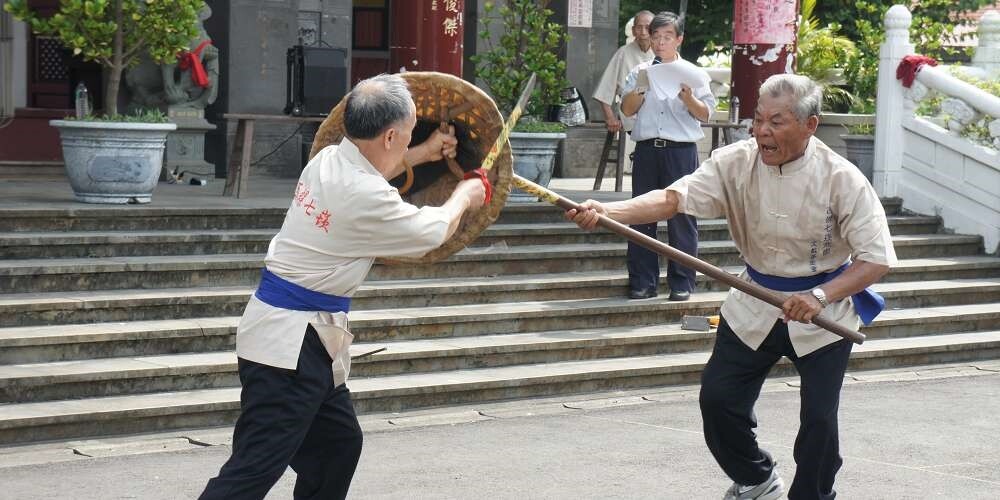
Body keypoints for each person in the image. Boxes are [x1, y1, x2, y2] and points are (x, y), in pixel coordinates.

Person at [567, 73, 897, 500]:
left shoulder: (842, 178)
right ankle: (756, 478)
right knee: (718, 401)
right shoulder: (735, 162)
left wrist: (819, 296)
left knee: (819, 420)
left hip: (823, 311)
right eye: (758, 119)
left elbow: (876, 258)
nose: (762, 131)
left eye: (777, 122)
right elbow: (673, 198)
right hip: (753, 301)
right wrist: (610, 211)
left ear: (809, 125)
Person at [199, 74, 486, 500]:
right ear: (390, 135)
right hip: (290, 345)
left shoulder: (330, 158)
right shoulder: (362, 194)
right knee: (253, 469)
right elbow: (433, 230)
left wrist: (423, 152)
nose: (409, 142)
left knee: (337, 446)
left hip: (297, 334)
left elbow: (378, 173)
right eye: (408, 135)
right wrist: (466, 192)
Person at [618, 11, 715, 301]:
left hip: (680, 152)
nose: (660, 42)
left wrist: (688, 98)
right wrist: (641, 89)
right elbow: (626, 109)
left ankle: (682, 282)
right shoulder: (640, 71)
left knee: (682, 216)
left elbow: (706, 114)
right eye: (656, 36)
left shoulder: (693, 73)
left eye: (667, 37)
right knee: (641, 215)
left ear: (679, 39)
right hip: (648, 150)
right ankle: (643, 281)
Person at [592, 10, 654, 174]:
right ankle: (643, 162)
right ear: (633, 31)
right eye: (639, 28)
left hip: (658, 113)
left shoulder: (662, 52)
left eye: (647, 28)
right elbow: (606, 87)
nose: (643, 32)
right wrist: (610, 117)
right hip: (631, 112)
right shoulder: (623, 53)